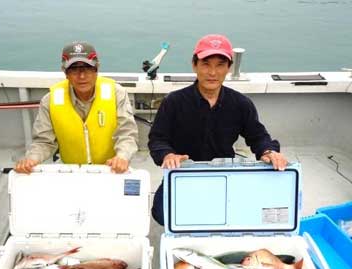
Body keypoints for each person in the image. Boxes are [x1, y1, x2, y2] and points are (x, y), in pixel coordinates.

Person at [148, 34, 288, 225]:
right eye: (206, 64)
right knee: (162, 215)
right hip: (183, 172)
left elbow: (258, 136)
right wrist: (167, 155)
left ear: (228, 68)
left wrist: (268, 151)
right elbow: (157, 139)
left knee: (241, 213)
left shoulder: (240, 103)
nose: (212, 72)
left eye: (220, 65)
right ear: (194, 65)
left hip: (224, 172)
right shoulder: (174, 101)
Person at [15, 41, 138, 173]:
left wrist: (122, 157)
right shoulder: (49, 100)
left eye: (88, 68)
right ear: (65, 73)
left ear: (97, 70)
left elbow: (127, 133)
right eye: (74, 70)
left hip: (110, 168)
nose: (82, 76)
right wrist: (31, 159)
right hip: (71, 170)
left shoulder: (116, 93)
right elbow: (43, 141)